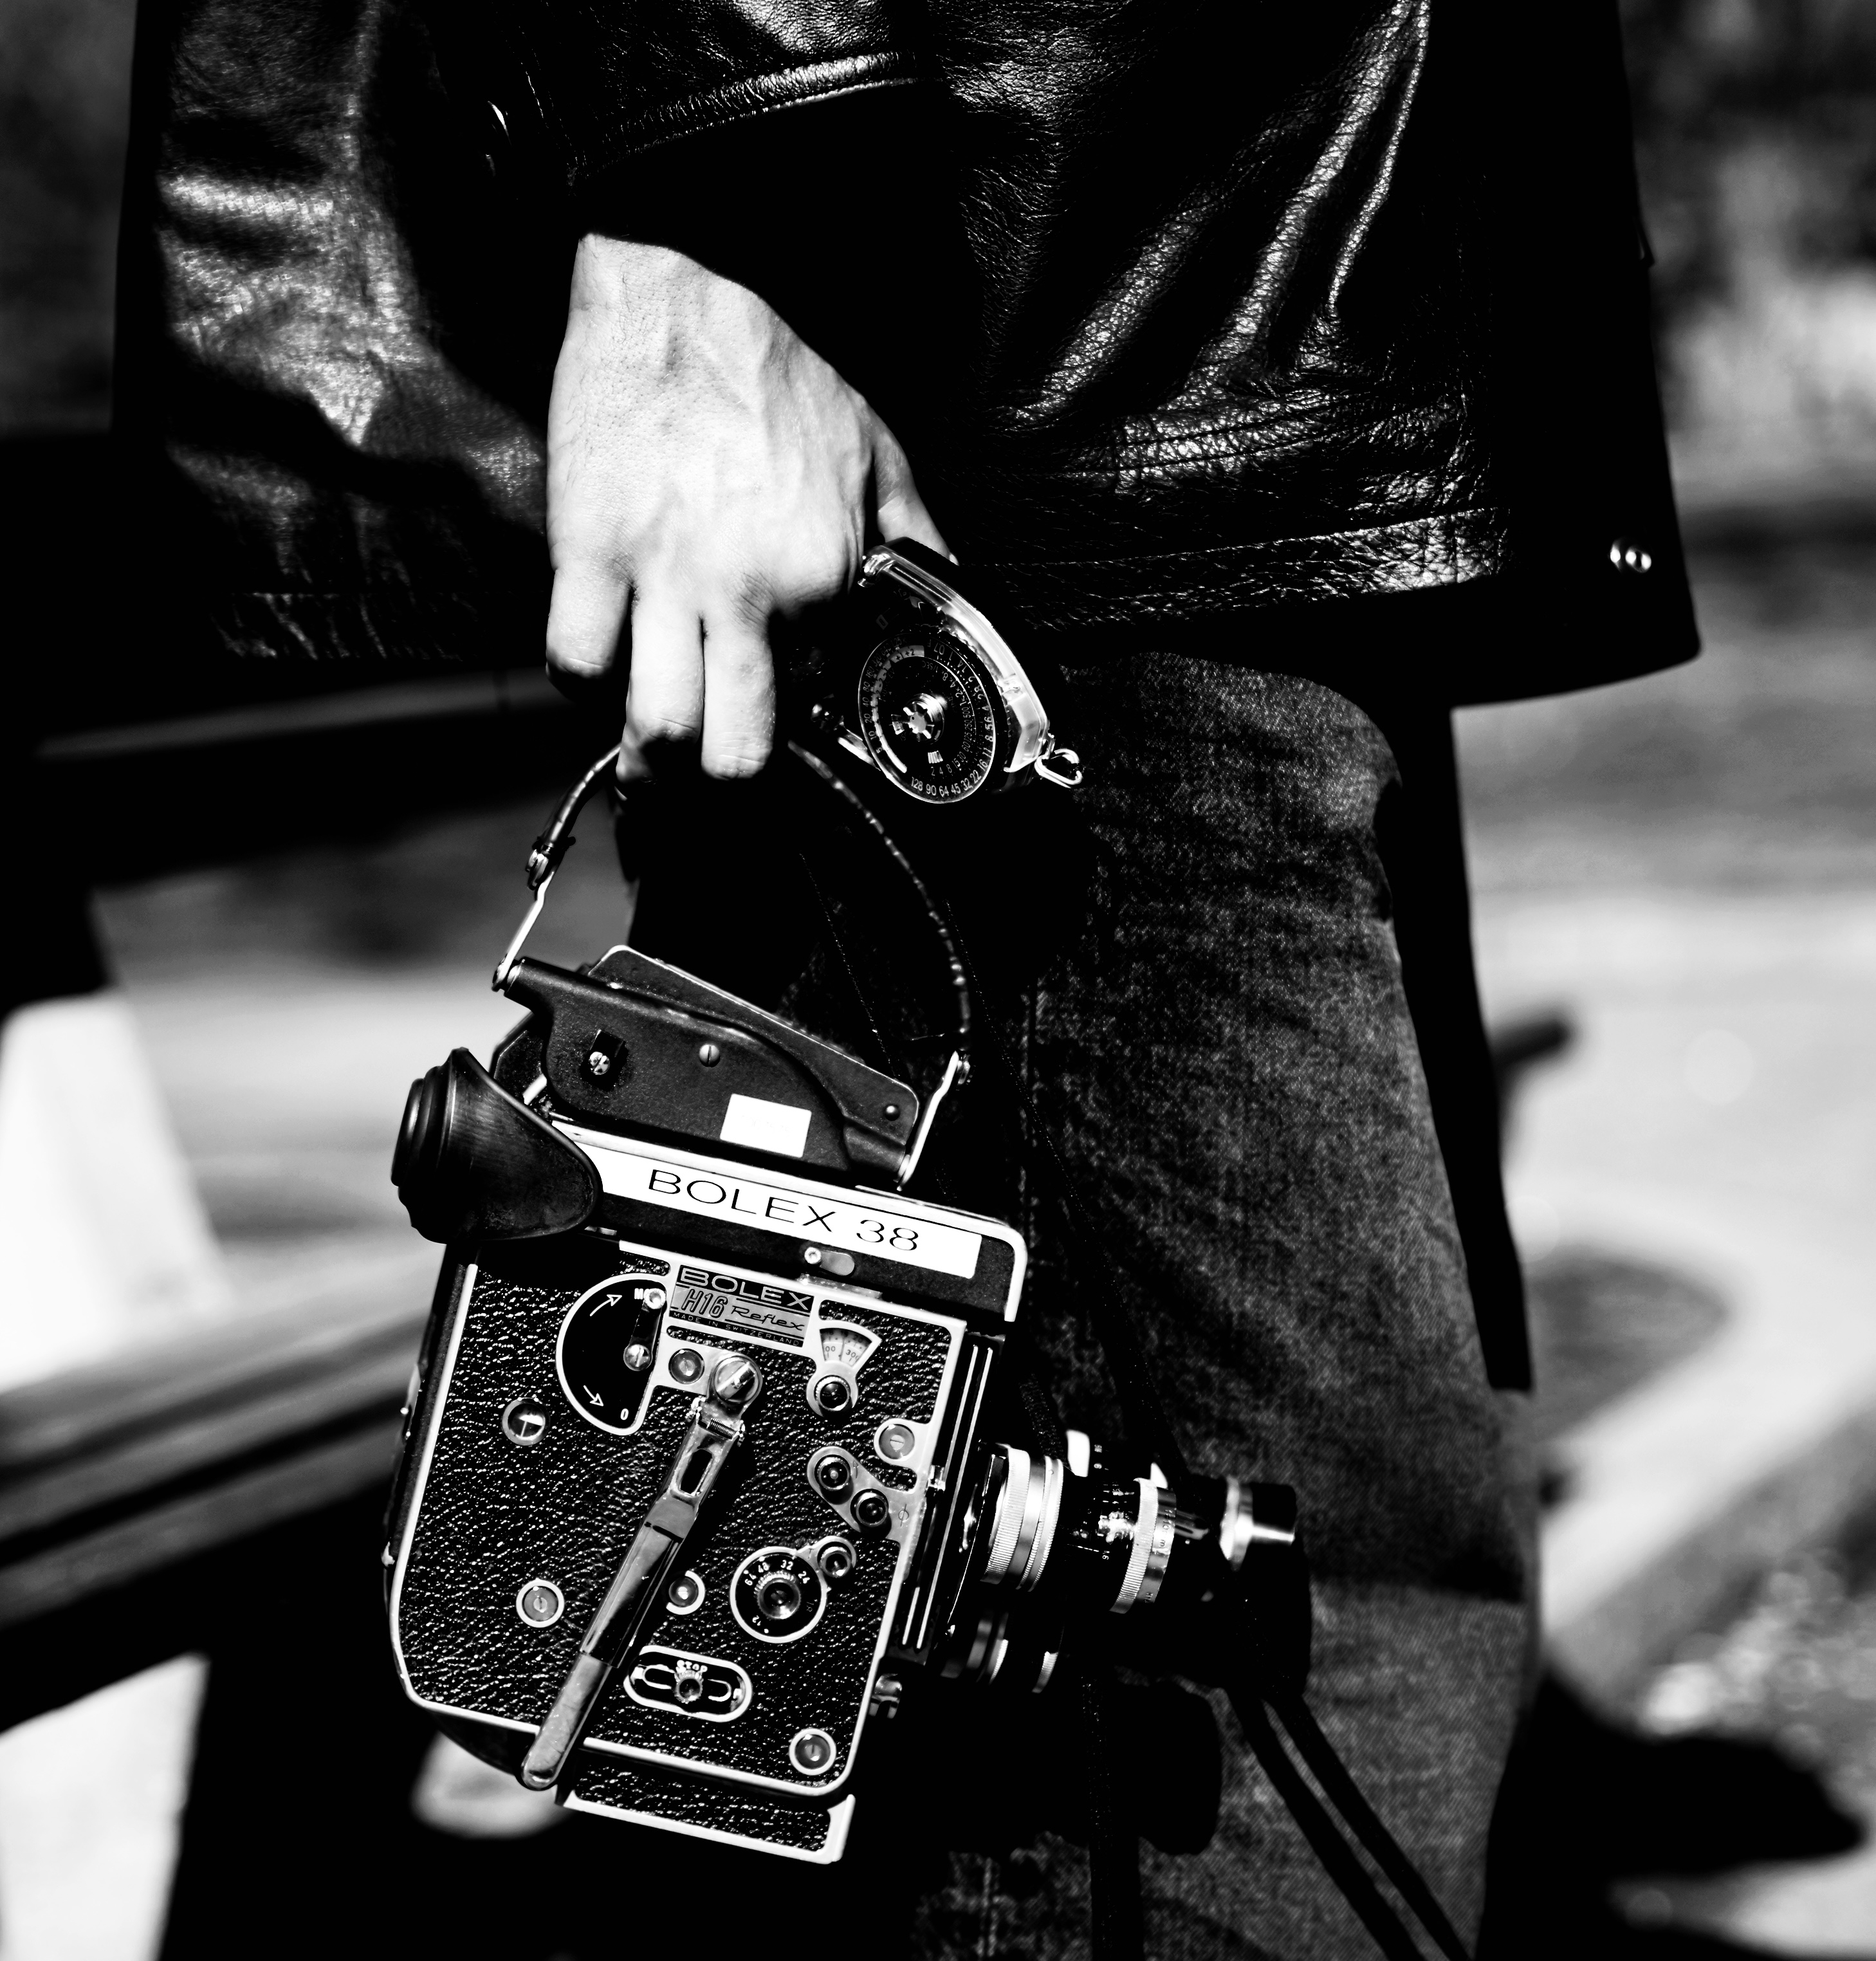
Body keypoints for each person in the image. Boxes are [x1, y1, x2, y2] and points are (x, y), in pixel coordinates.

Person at [120, 0, 1698, 1954]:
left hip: (1182, 336)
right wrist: (712, 214)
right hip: (1027, 364)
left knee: (1321, 1630)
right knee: (1229, 1710)